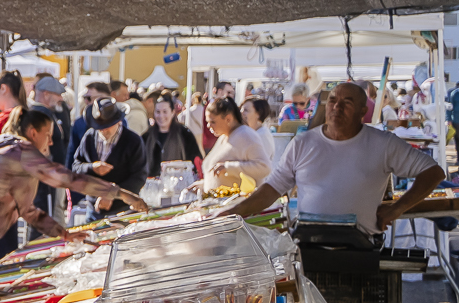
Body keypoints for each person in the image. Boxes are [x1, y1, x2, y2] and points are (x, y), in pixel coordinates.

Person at [220, 80, 444, 233]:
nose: (337, 107)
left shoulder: (383, 143)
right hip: (309, 244)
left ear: (362, 112)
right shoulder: (303, 143)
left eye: (347, 103)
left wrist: (396, 209)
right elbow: (272, 189)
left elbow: (433, 172)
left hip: (362, 246)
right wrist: (234, 213)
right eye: (333, 101)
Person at [0, 108, 148, 265]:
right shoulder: (22, 152)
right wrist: (121, 194)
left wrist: (63, 233)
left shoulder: (15, 155)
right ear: (33, 133)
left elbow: (28, 211)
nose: (50, 142)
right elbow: (69, 179)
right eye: (48, 135)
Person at [69, 99, 149, 216]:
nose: (103, 130)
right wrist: (92, 167)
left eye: (107, 126)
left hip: (122, 209)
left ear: (118, 121)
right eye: (99, 126)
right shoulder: (89, 137)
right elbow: (76, 167)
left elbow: (139, 176)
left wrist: (112, 195)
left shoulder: (133, 141)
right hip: (93, 208)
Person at [200, 98, 273, 193]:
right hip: (221, 200)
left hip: (240, 201)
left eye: (213, 122)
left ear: (228, 119)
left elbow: (264, 167)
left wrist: (229, 167)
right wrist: (203, 185)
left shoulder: (246, 135)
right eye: (207, 122)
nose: (208, 126)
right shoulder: (224, 136)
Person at [142, 92, 203, 176]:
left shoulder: (184, 134)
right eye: (158, 112)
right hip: (152, 182)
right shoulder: (147, 136)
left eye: (165, 112)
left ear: (172, 112)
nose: (161, 116)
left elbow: (195, 160)